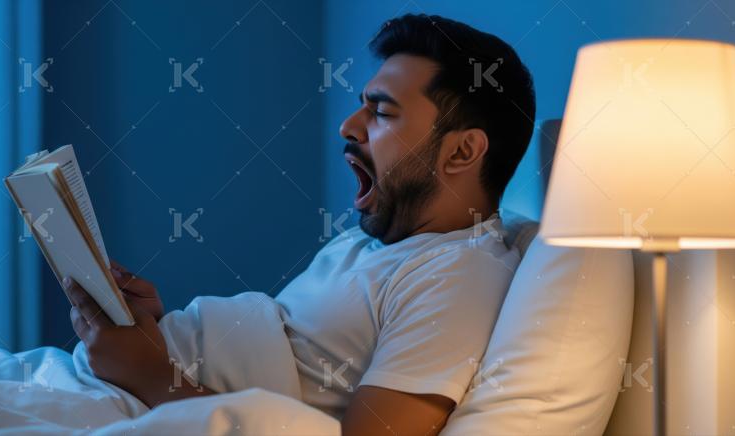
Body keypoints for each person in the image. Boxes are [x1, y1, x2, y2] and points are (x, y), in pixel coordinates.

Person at [64, 13, 536, 435]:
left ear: (462, 151)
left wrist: (148, 371)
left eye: (381, 112)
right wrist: (158, 331)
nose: (348, 126)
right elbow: (290, 356)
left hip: (132, 396)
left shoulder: (457, 277)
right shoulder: (372, 242)